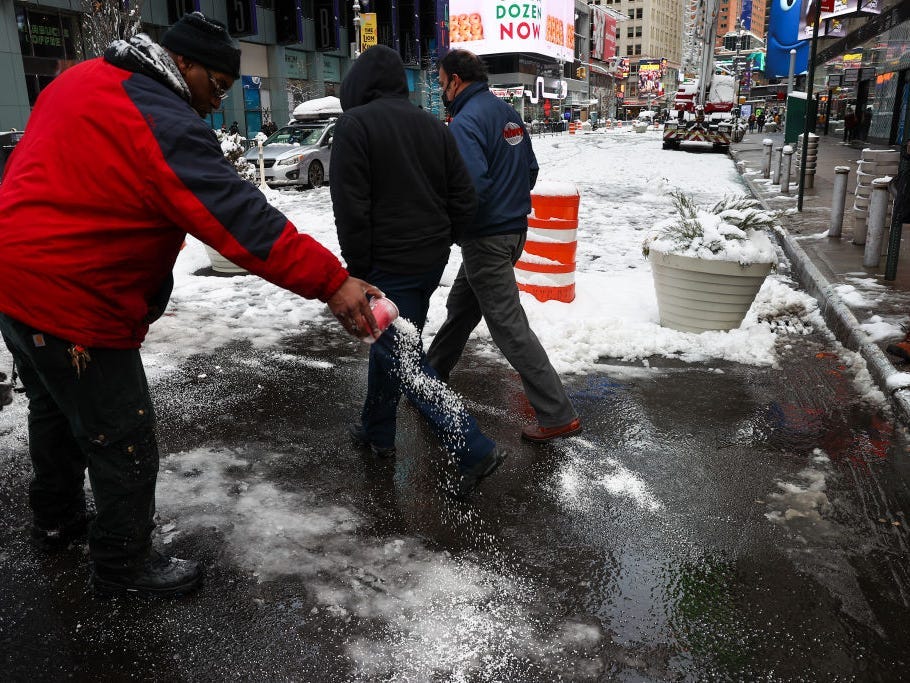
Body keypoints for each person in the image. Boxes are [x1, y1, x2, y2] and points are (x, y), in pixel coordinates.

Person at [0, 12, 381, 598]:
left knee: (55, 411)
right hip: (73, 299)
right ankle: (123, 568)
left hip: (16, 284)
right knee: (122, 436)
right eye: (216, 87)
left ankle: (57, 522)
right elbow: (237, 216)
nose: (213, 103)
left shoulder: (82, 80)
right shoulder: (159, 118)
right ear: (183, 64)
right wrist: (332, 281)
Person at [330, 45, 505, 499]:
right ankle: (377, 431)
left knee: (402, 357)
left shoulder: (353, 125)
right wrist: (444, 235)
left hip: (385, 265)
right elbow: (464, 198)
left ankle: (472, 446)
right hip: (428, 261)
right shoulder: (434, 126)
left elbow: (352, 209)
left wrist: (359, 274)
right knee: (392, 345)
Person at [427, 49, 580, 442]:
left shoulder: (465, 122)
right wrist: (508, 206)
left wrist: (451, 227)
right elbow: (529, 170)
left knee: (509, 326)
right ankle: (429, 378)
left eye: (442, 81)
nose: (441, 89)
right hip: (513, 232)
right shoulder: (508, 115)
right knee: (462, 307)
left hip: (486, 238)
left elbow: (468, 186)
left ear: (456, 81)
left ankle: (557, 413)